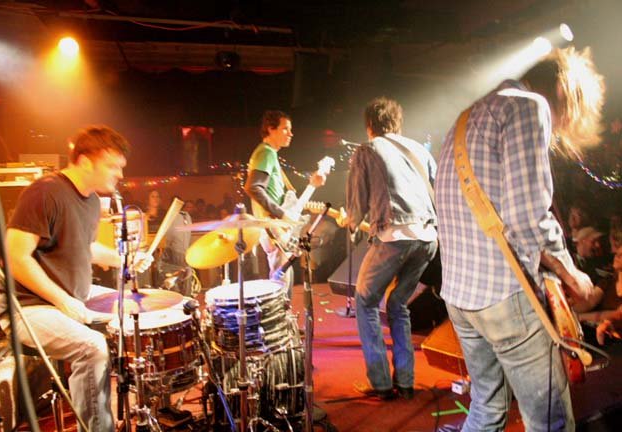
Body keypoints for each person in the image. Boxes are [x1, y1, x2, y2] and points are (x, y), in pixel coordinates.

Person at [435, 47, 604, 431]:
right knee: (550, 422)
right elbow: (527, 216)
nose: (560, 127)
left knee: (486, 409)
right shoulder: (528, 106)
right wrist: (572, 274)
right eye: (567, 116)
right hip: (504, 296)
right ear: (562, 91)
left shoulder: (467, 117)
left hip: (460, 297)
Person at [0, 125, 153, 432]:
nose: (120, 174)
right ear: (84, 161)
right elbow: (14, 258)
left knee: (138, 304)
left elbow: (86, 246)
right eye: (113, 166)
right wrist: (63, 301)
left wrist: (125, 258)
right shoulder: (45, 192)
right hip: (27, 308)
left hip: (71, 295)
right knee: (92, 346)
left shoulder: (91, 201)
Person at [336, 97, 437, 400]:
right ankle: (405, 382)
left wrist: (349, 220)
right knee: (398, 304)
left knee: (365, 301)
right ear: (398, 123)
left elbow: (356, 205)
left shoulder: (367, 150)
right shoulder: (419, 150)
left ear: (370, 125)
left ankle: (380, 382)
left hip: (394, 236)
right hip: (428, 238)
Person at [244, 110, 325, 297]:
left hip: (276, 226)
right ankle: (281, 314)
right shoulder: (266, 153)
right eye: (285, 129)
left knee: (283, 276)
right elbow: (253, 187)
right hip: (274, 226)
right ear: (270, 129)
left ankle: (284, 313)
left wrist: (312, 185)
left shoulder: (269, 154)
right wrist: (281, 214)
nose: (291, 133)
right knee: (280, 281)